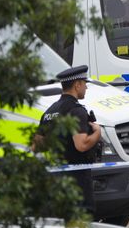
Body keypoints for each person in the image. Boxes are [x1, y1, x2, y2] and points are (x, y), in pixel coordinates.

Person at [34, 65, 101, 214]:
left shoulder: (50, 111)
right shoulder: (76, 111)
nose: (86, 88)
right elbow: (81, 145)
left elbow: (37, 146)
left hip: (56, 180)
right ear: (77, 85)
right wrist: (97, 133)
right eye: (84, 84)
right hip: (78, 182)